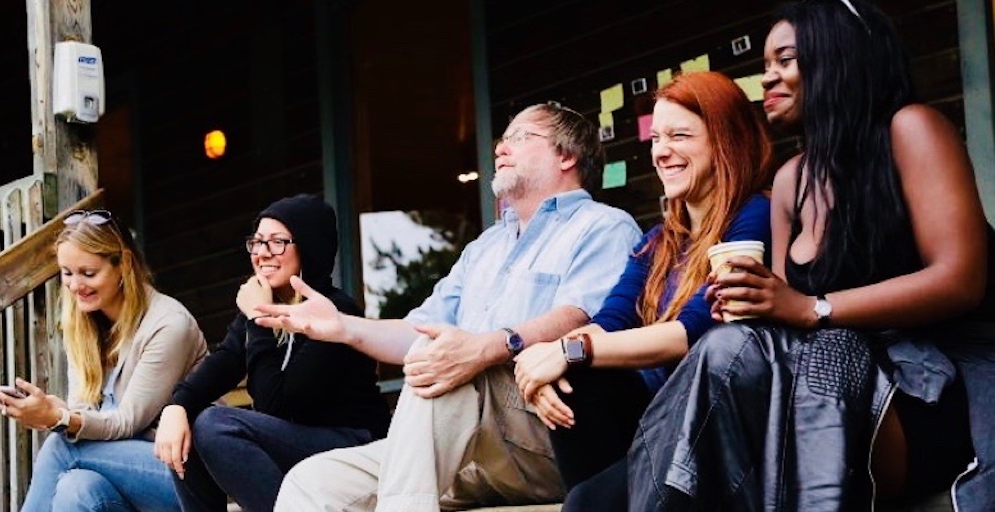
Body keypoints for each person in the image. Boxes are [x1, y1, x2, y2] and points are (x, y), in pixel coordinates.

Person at [628, 1, 995, 510]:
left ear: (838, 58)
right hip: (826, 386)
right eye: (764, 67)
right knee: (591, 494)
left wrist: (812, 307)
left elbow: (960, 279)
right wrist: (753, 302)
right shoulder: (790, 182)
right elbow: (780, 325)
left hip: (934, 384)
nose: (768, 79)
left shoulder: (911, 130)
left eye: (785, 60)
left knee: (731, 355)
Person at [258, 103, 642, 512]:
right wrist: (344, 327)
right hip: (474, 448)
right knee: (313, 482)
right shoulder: (485, 247)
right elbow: (418, 333)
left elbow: (582, 317)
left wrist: (486, 347)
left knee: (447, 361)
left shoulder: (603, 225)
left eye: (520, 137)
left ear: (567, 156)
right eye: (502, 138)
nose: (501, 147)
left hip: (552, 431)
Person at [512, 71, 773, 512]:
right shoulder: (657, 243)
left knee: (585, 503)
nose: (661, 151)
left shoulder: (754, 215)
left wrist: (569, 351)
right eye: (656, 138)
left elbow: (696, 329)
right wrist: (547, 364)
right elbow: (610, 322)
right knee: (574, 379)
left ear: (725, 140)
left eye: (680, 136)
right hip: (650, 422)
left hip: (710, 427)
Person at [153, 195, 391, 512]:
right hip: (300, 444)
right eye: (257, 242)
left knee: (215, 425)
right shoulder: (262, 310)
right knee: (191, 424)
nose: (262, 253)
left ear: (309, 247)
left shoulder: (333, 312)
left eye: (277, 242)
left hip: (353, 445)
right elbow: (223, 363)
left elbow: (278, 406)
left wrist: (257, 321)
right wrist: (177, 406)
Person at [0, 209, 207, 512]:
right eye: (67, 272)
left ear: (124, 265)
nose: (76, 285)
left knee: (61, 447)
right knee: (74, 489)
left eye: (88, 273)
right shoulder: (83, 325)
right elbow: (86, 412)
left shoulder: (168, 324)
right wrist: (56, 410)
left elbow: (128, 422)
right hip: (121, 477)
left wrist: (61, 419)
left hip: (185, 477)